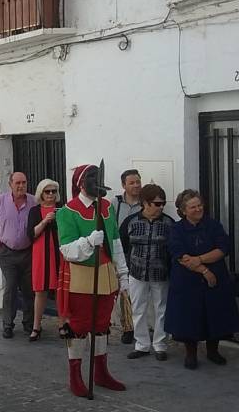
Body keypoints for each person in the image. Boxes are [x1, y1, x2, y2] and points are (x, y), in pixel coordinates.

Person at [56, 164, 129, 397]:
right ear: (80, 183)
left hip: (106, 273)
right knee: (78, 326)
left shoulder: (106, 207)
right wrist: (89, 241)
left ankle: (101, 372)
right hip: (82, 274)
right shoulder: (67, 211)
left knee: (101, 325)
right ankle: (75, 375)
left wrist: (123, 273)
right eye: (92, 177)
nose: (97, 181)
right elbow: (66, 249)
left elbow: (116, 243)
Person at [166, 189, 239, 369]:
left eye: (200, 205)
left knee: (215, 316)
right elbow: (180, 255)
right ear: (183, 210)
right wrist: (205, 271)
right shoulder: (176, 229)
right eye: (193, 207)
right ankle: (191, 354)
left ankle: (213, 351)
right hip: (187, 281)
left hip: (216, 280)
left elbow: (223, 248)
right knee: (189, 318)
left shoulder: (213, 225)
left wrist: (199, 260)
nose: (198, 209)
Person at [119, 184, 175, 361]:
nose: (160, 207)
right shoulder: (131, 222)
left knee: (161, 309)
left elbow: (173, 249)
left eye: (162, 203)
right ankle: (142, 344)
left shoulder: (169, 223)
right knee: (138, 308)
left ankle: (160, 345)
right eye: (156, 203)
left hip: (161, 273)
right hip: (137, 272)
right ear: (145, 203)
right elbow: (122, 246)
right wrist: (125, 269)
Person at [0, 171, 36, 338]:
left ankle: (29, 324)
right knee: (11, 287)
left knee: (29, 289)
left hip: (28, 252)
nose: (21, 186)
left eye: (24, 182)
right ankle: (8, 324)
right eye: (17, 183)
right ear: (10, 185)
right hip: (7, 253)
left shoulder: (33, 201)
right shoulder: (1, 201)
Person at [26, 178, 64, 341]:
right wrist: (45, 220)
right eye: (47, 191)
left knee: (61, 291)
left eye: (53, 191)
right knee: (40, 291)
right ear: (41, 193)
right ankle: (36, 326)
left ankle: (63, 325)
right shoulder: (34, 211)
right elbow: (31, 234)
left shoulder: (63, 210)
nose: (50, 194)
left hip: (59, 253)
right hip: (41, 254)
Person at [112, 169, 142, 344]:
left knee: (138, 294)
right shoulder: (115, 204)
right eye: (132, 182)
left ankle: (139, 327)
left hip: (138, 254)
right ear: (124, 185)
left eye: (138, 181)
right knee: (124, 292)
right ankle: (127, 327)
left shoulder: (145, 203)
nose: (136, 185)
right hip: (121, 253)